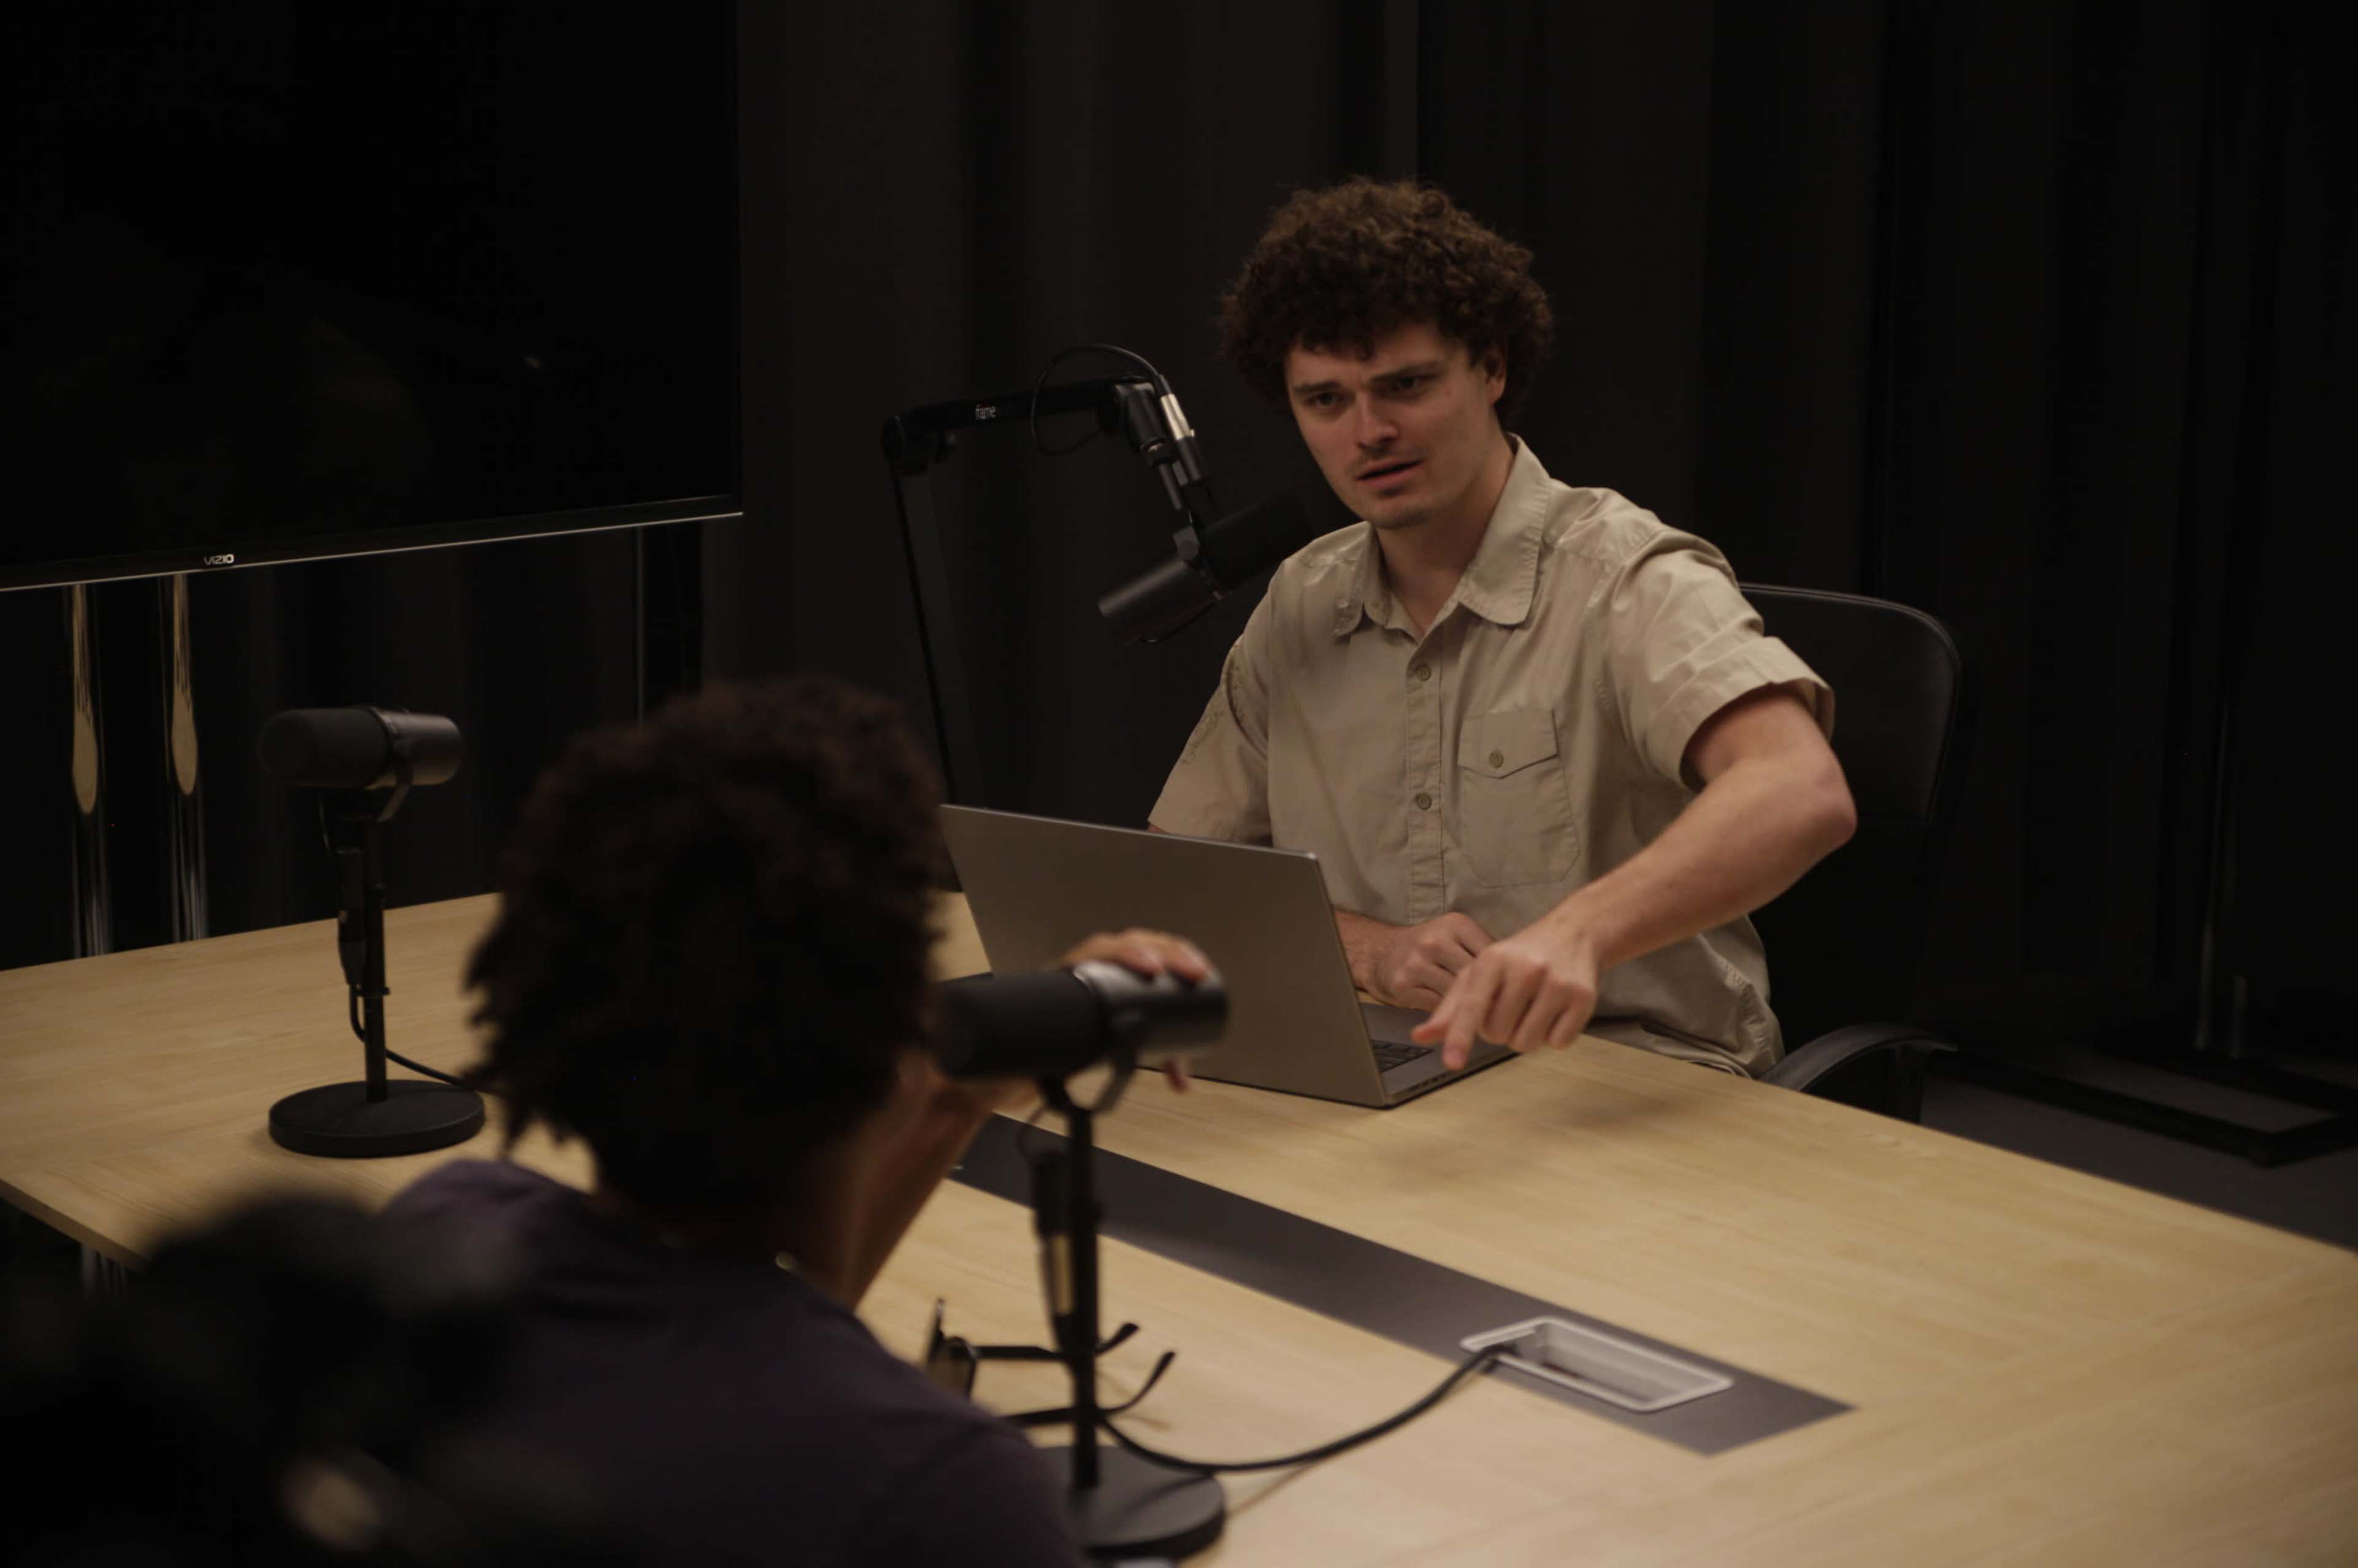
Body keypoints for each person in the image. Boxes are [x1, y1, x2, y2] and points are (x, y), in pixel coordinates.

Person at [384, 675, 1208, 1567]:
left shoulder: (445, 1238)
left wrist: (952, 1098)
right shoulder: (943, 1491)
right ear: (890, 1035)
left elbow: (742, 1349)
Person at [1150, 179, 1856, 1077]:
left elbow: (1802, 792)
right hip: (1406, 1067)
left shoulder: (1623, 577)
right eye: (1326, 401)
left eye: (1405, 385)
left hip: (1636, 1074)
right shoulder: (1302, 599)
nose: (1370, 431)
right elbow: (1185, 879)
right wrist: (1371, 951)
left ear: (1491, 368)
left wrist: (1579, 932)